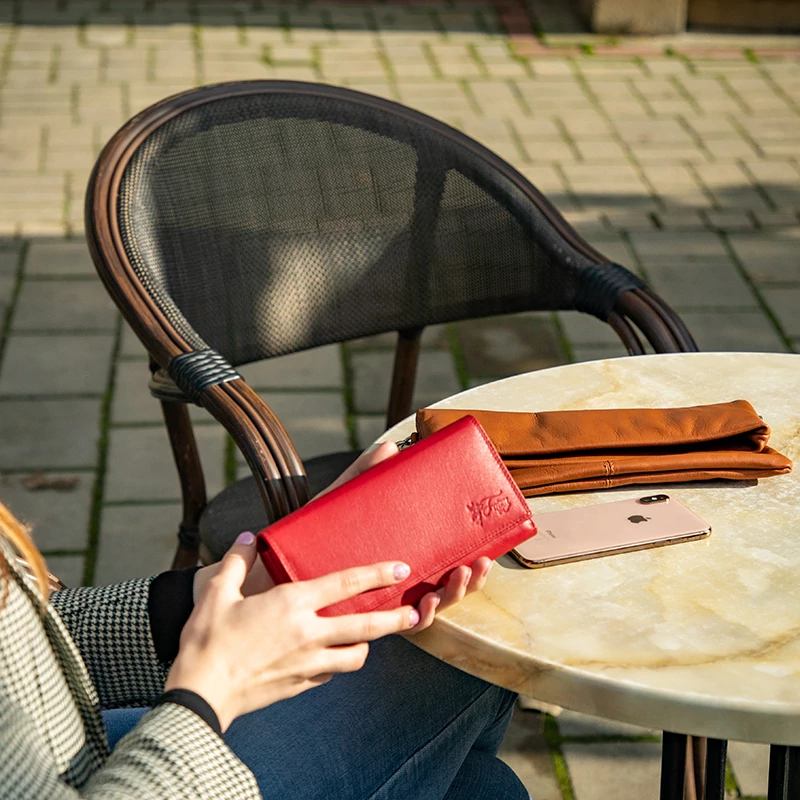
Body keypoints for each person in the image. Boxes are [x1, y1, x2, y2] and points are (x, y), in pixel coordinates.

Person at [0, 441, 529, 800]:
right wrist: (207, 694)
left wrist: (213, 593)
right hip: (128, 776)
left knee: (479, 777)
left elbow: (17, 647)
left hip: (67, 738)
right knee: (454, 665)